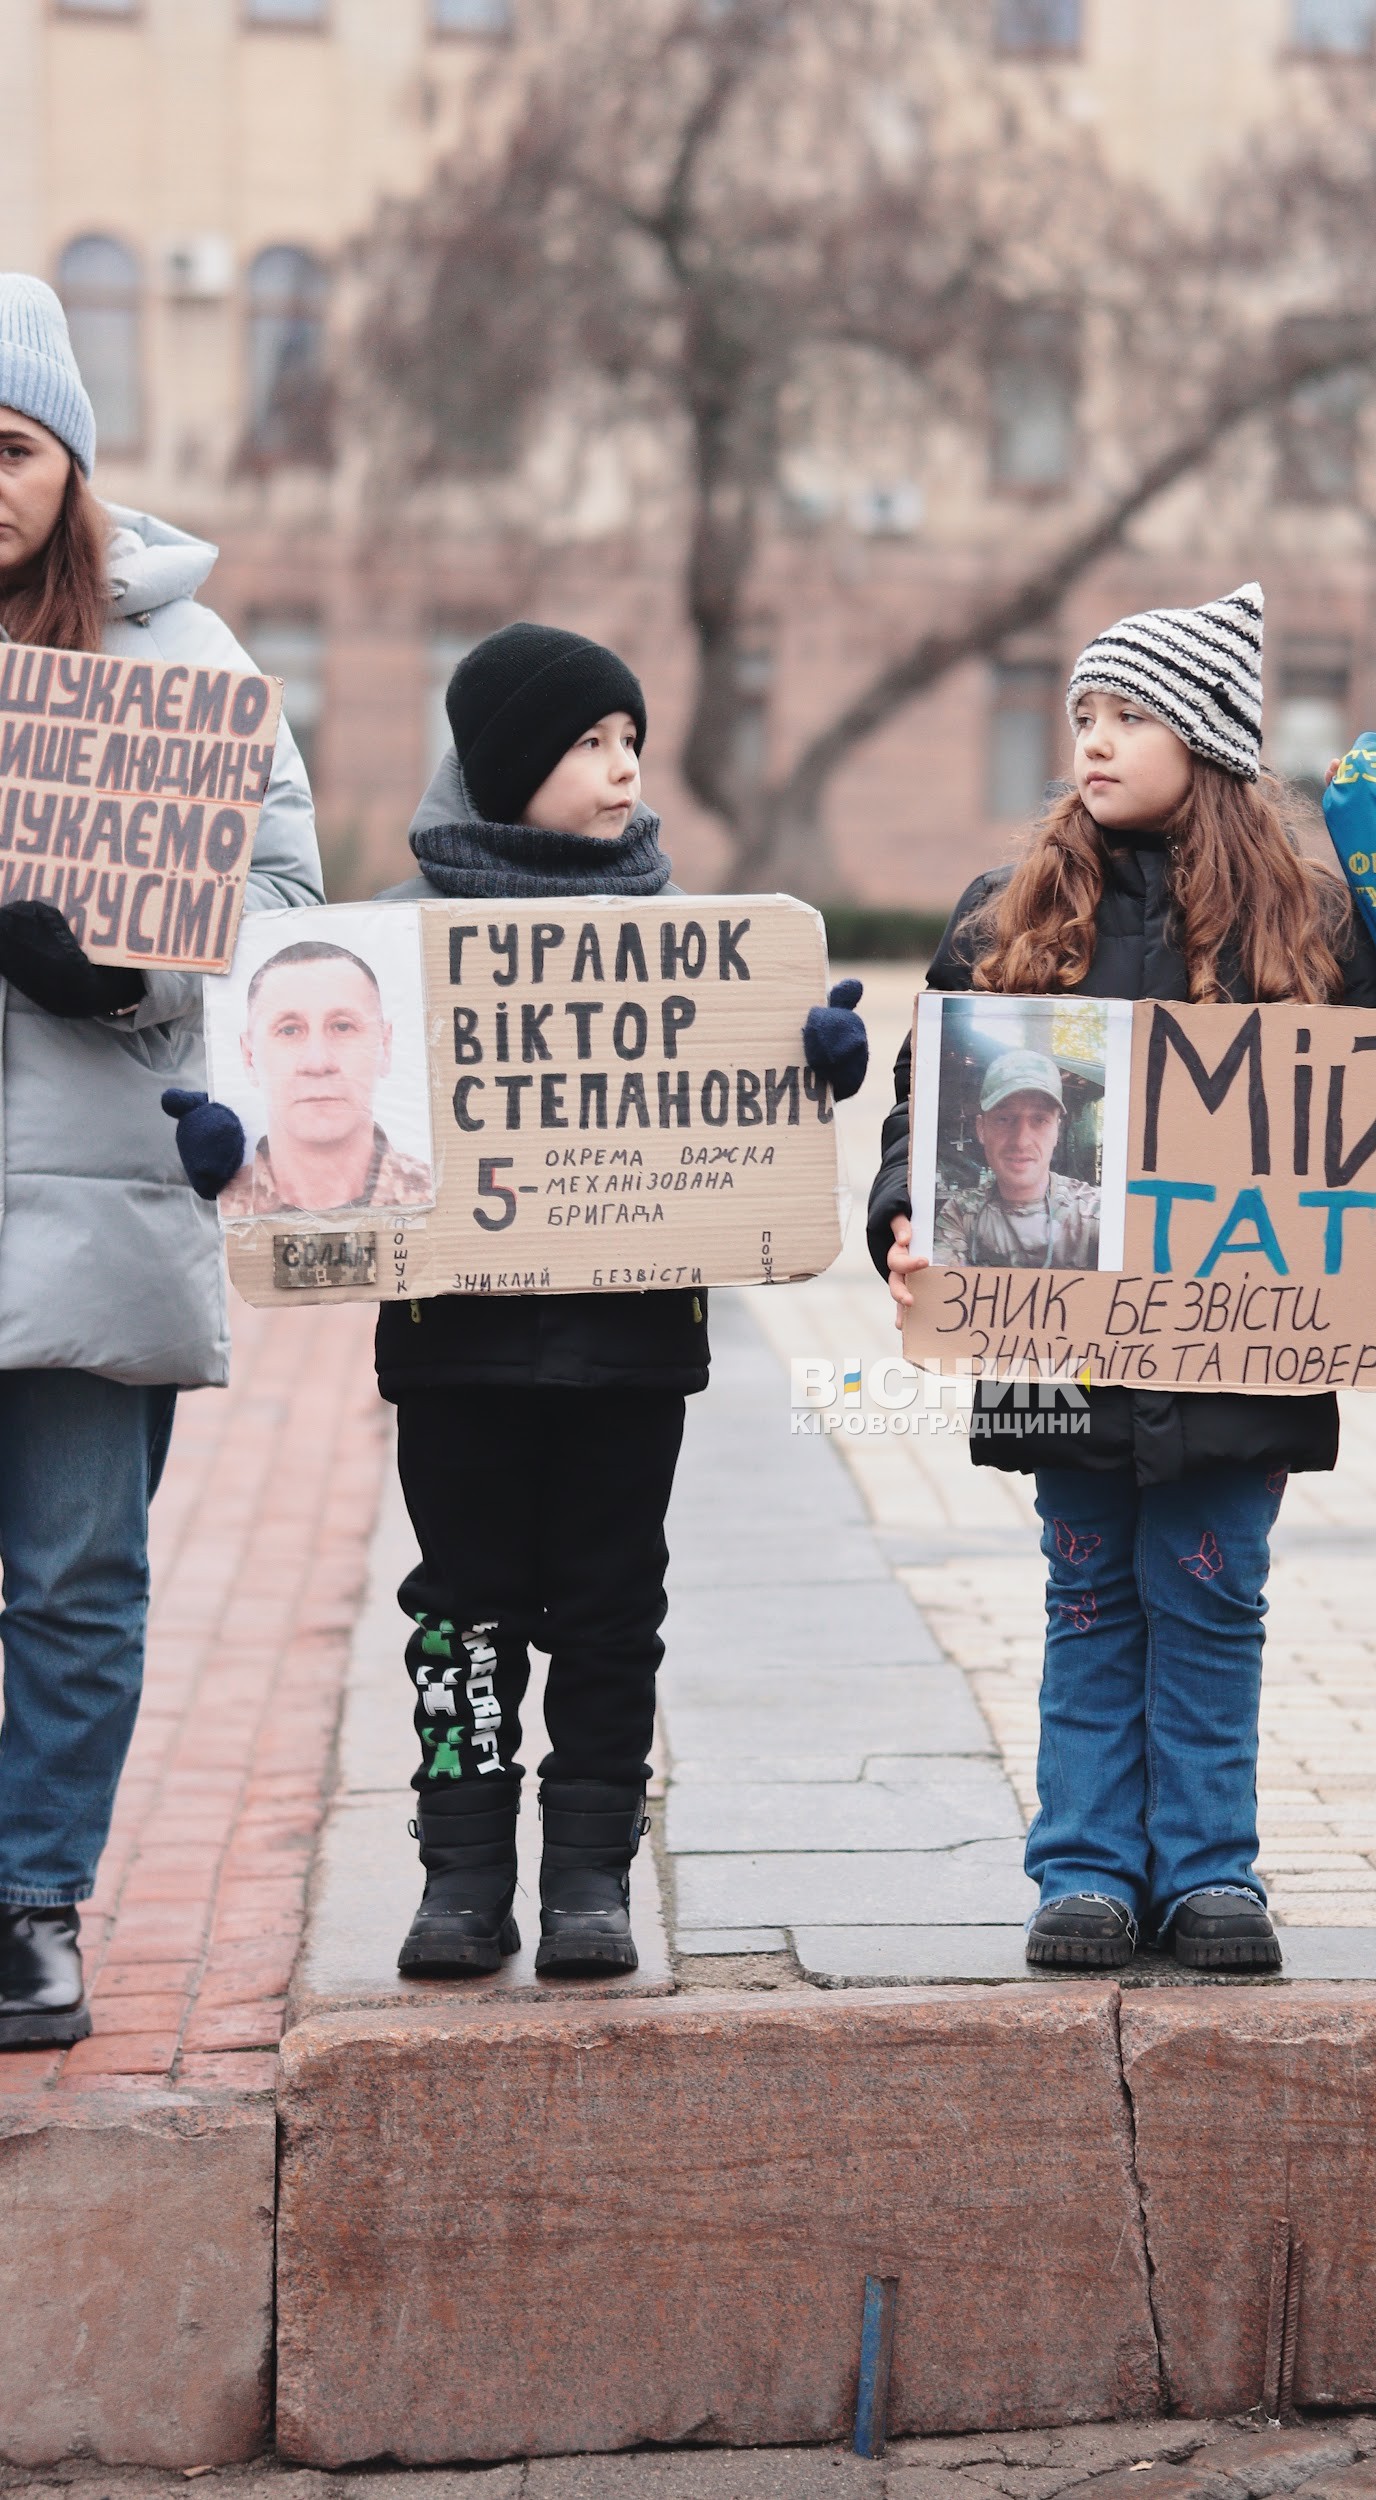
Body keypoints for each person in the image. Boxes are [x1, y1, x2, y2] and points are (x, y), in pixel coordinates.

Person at [870, 582, 1376, 1975]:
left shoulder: (1319, 930)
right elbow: (919, 1110)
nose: (1091, 743)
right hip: (1055, 1344)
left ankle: (1211, 1874)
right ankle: (1088, 1873)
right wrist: (899, 1225)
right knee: (1088, 1598)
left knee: (1211, 1596)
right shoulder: (1007, 913)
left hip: (1244, 1352)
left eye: (1127, 716)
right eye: (1082, 717)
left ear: (1212, 735)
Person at [318, 623, 865, 1978]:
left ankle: (586, 1877)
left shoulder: (688, 944)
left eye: (630, 740)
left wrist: (811, 1069)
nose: (626, 769)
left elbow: (742, 1120)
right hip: (455, 1353)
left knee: (613, 1608)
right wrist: (254, 1151)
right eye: (588, 743)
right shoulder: (393, 942)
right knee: (462, 1610)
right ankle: (458, 1875)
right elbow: (325, 1114)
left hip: (631, 1351)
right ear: (507, 766)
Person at [0, 274, 322, 2049]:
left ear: (72, 466)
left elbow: (284, 907)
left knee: (69, 1573)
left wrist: (129, 964)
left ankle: (35, 1901)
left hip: (92, 1191)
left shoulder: (182, 665)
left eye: (15, 444)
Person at [221, 939, 434, 1216]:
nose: (318, 1063)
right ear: (249, 1056)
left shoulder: (448, 1201)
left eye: (343, 1027)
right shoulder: (206, 1214)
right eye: (289, 1031)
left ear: (385, 1046)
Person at [932, 1048, 1102, 1269]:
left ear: (1056, 1132)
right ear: (982, 1129)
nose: (1021, 1141)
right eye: (1004, 1119)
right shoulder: (962, 1213)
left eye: (1039, 1120)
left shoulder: (1093, 1213)